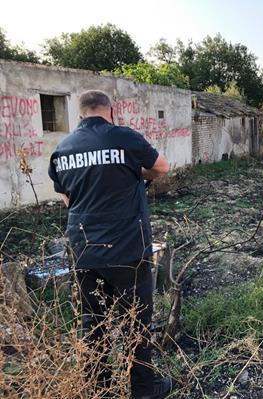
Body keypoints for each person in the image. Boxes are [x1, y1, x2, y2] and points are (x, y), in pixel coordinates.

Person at [48, 90, 173, 399]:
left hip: (84, 250)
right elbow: (162, 167)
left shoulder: (62, 149)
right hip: (128, 249)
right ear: (110, 111)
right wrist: (138, 175)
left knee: (92, 325)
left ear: (80, 114)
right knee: (136, 322)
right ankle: (143, 392)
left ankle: (98, 390)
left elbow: (67, 198)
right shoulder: (124, 137)